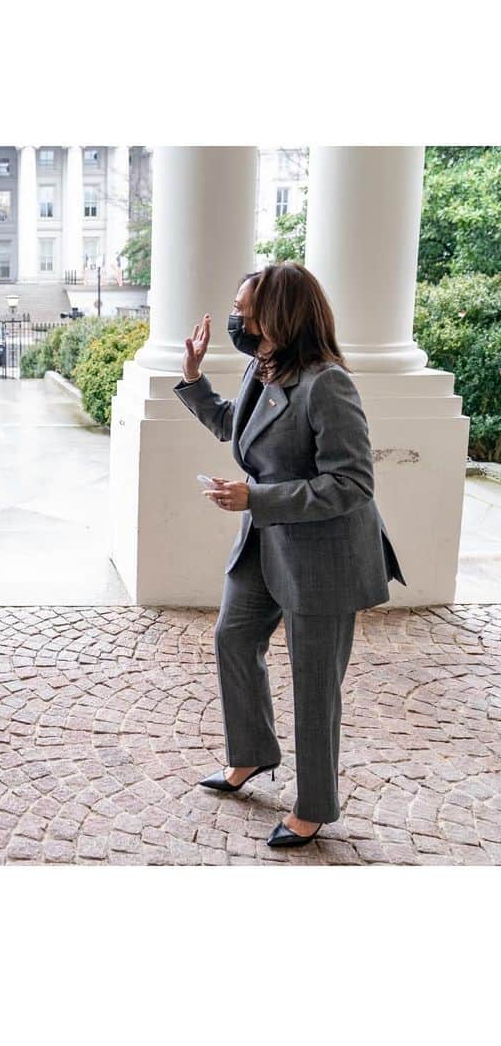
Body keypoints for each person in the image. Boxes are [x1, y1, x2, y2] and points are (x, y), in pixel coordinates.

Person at [176, 262, 405, 848]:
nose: (238, 321)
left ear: (281, 315)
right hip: (265, 539)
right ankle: (252, 754)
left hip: (323, 555)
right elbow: (236, 426)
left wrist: (256, 496)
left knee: (313, 680)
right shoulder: (263, 364)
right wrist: (195, 377)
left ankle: (315, 806)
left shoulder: (327, 383)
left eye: (247, 313)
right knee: (233, 637)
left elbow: (352, 484)